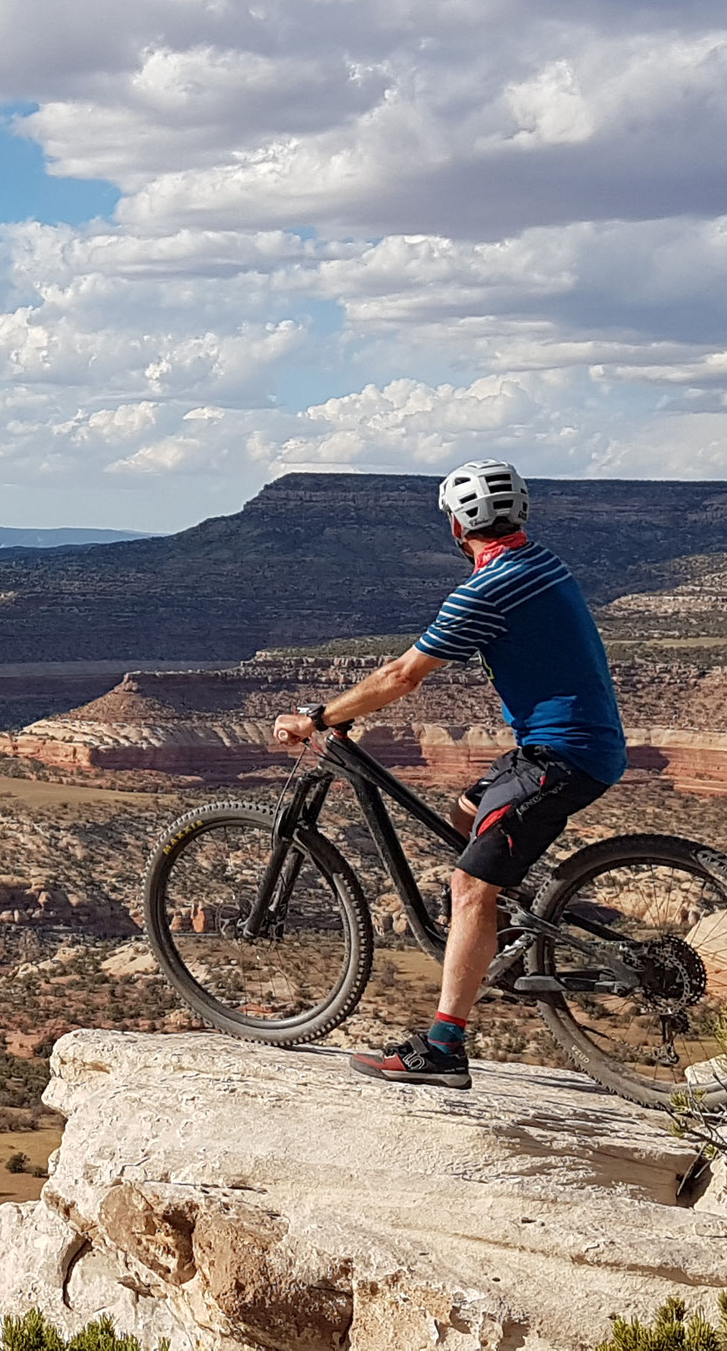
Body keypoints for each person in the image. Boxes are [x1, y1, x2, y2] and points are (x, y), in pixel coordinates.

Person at [271, 458, 627, 1090]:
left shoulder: (487, 588)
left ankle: (443, 1047)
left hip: (560, 758)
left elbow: (400, 677)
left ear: (459, 525)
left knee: (467, 887)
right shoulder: (539, 563)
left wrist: (320, 717)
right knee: (465, 815)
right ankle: (508, 924)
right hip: (565, 748)